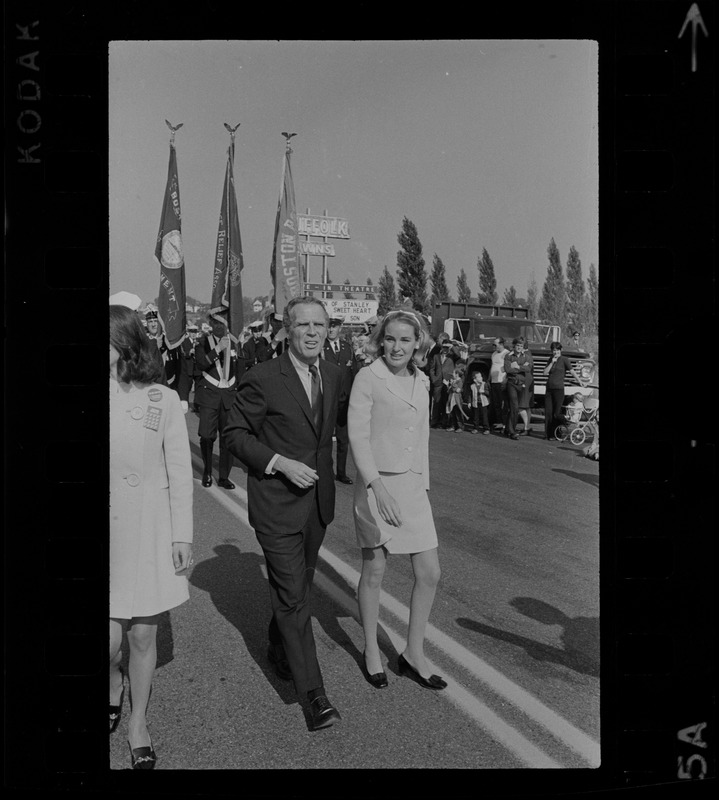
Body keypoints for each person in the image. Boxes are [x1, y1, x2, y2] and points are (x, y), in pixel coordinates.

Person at [223, 296, 345, 731]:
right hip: (276, 506)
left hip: (317, 508)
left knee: (297, 592)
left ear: (328, 330)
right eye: (303, 325)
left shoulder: (333, 374)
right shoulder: (262, 379)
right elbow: (234, 434)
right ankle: (314, 695)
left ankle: (278, 646)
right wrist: (278, 462)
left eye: (319, 325)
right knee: (294, 598)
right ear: (286, 331)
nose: (312, 332)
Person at [109, 304, 193, 769]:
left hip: (148, 527)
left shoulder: (161, 398)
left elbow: (180, 472)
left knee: (142, 635)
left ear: (123, 344)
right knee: (108, 640)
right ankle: (110, 681)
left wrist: (182, 535)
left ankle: (138, 721)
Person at [348, 308, 447, 692]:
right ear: (380, 340)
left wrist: (422, 485)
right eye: (390, 338)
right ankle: (372, 650)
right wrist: (377, 487)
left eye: (405, 340)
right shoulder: (367, 378)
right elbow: (357, 436)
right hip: (377, 486)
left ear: (417, 343)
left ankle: (413, 653)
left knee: (430, 572)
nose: (397, 346)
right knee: (374, 570)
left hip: (412, 486)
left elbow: (420, 436)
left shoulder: (422, 381)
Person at [193, 310, 244, 489]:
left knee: (227, 439)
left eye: (222, 322)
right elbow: (201, 364)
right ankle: (207, 471)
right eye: (215, 322)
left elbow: (240, 369)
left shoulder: (235, 343)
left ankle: (223, 476)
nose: (219, 326)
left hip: (229, 395)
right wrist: (218, 349)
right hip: (210, 393)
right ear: (211, 324)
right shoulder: (202, 342)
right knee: (207, 436)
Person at [322, 316, 357, 484]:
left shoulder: (347, 348)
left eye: (334, 327)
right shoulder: (320, 348)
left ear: (339, 329)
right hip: (327, 400)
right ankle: (324, 471)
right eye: (329, 327)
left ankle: (341, 473)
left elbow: (355, 373)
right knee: (325, 439)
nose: (331, 330)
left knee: (343, 440)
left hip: (344, 402)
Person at [542, 341, 586, 439]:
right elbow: (545, 373)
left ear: (560, 350)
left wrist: (580, 381)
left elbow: (572, 372)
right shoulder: (550, 360)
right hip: (549, 389)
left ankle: (557, 432)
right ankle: (548, 434)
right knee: (548, 412)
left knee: (556, 413)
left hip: (559, 389)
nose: (555, 352)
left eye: (557, 350)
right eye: (554, 350)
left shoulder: (565, 360)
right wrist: (552, 362)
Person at [504, 337, 533, 440]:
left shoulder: (527, 357)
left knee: (513, 407)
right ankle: (512, 431)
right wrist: (521, 368)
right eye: (517, 345)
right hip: (511, 383)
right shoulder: (508, 356)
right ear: (514, 346)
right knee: (515, 407)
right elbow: (508, 369)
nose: (519, 347)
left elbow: (528, 369)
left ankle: (507, 429)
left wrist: (517, 366)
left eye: (521, 346)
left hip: (521, 384)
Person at [429, 340, 456, 428]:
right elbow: (432, 369)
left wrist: (451, 346)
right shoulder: (436, 356)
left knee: (445, 402)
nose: (445, 349)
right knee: (436, 402)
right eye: (444, 347)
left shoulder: (452, 356)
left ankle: (444, 422)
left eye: (447, 347)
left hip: (447, 381)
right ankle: (434, 422)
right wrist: (434, 378)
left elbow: (459, 355)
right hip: (438, 381)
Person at [489, 337, 509, 431]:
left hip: (502, 381)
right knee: (496, 403)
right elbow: (492, 366)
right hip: (494, 381)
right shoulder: (493, 354)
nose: (493, 346)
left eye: (495, 345)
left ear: (501, 344)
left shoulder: (506, 354)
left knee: (502, 403)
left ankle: (504, 423)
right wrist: (489, 379)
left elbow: (508, 367)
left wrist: (506, 379)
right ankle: (499, 421)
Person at [445, 364, 468, 432]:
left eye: (454, 373)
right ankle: (453, 426)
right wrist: (448, 385)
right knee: (452, 412)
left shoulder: (459, 381)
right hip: (452, 399)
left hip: (457, 399)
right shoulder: (454, 381)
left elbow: (458, 390)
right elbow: (449, 390)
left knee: (458, 413)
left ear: (457, 374)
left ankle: (460, 426)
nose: (452, 374)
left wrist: (452, 384)